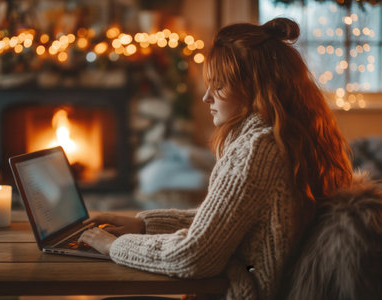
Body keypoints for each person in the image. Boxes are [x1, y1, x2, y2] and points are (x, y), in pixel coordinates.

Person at [78, 17, 353, 300]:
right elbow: (225, 221)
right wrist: (144, 225)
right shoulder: (279, 137)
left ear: (256, 89)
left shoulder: (259, 149)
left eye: (219, 86)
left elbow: (195, 255)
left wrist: (114, 247)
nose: (207, 97)